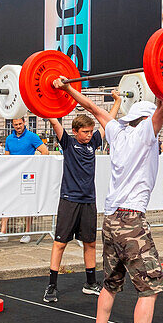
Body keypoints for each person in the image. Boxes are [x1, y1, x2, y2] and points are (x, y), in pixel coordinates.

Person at [52, 77, 163, 323]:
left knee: (110, 284)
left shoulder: (116, 131)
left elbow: (91, 106)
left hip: (111, 220)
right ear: (145, 119)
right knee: (149, 289)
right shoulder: (147, 132)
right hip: (131, 221)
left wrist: (66, 88)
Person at [43, 99, 120, 303]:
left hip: (88, 200)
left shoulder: (93, 142)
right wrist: (44, 99)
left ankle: (90, 283)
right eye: (85, 132)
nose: (88, 135)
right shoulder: (68, 142)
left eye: (89, 132)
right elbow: (53, 120)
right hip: (69, 200)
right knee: (60, 243)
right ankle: (51, 286)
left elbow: (108, 121)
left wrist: (118, 101)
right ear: (75, 131)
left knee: (91, 243)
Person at [0, 117, 49, 243]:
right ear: (12, 125)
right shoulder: (9, 138)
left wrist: (35, 167)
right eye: (15, 124)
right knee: (6, 201)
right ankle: (3, 233)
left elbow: (45, 152)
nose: (18, 126)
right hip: (12, 175)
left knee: (28, 202)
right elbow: (7, 158)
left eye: (20, 124)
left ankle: (27, 232)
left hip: (27, 176)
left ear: (24, 123)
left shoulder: (32, 136)